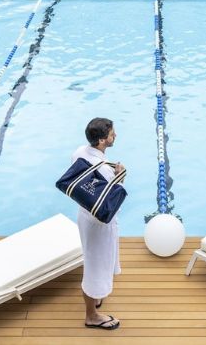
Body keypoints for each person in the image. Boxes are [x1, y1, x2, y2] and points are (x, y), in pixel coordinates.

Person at [72, 117, 125, 330]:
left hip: (85, 217)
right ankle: (91, 315)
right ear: (102, 140)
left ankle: (95, 298)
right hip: (99, 224)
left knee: (94, 261)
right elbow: (112, 203)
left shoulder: (79, 152)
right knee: (94, 269)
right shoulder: (104, 170)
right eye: (112, 134)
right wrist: (118, 177)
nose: (116, 136)